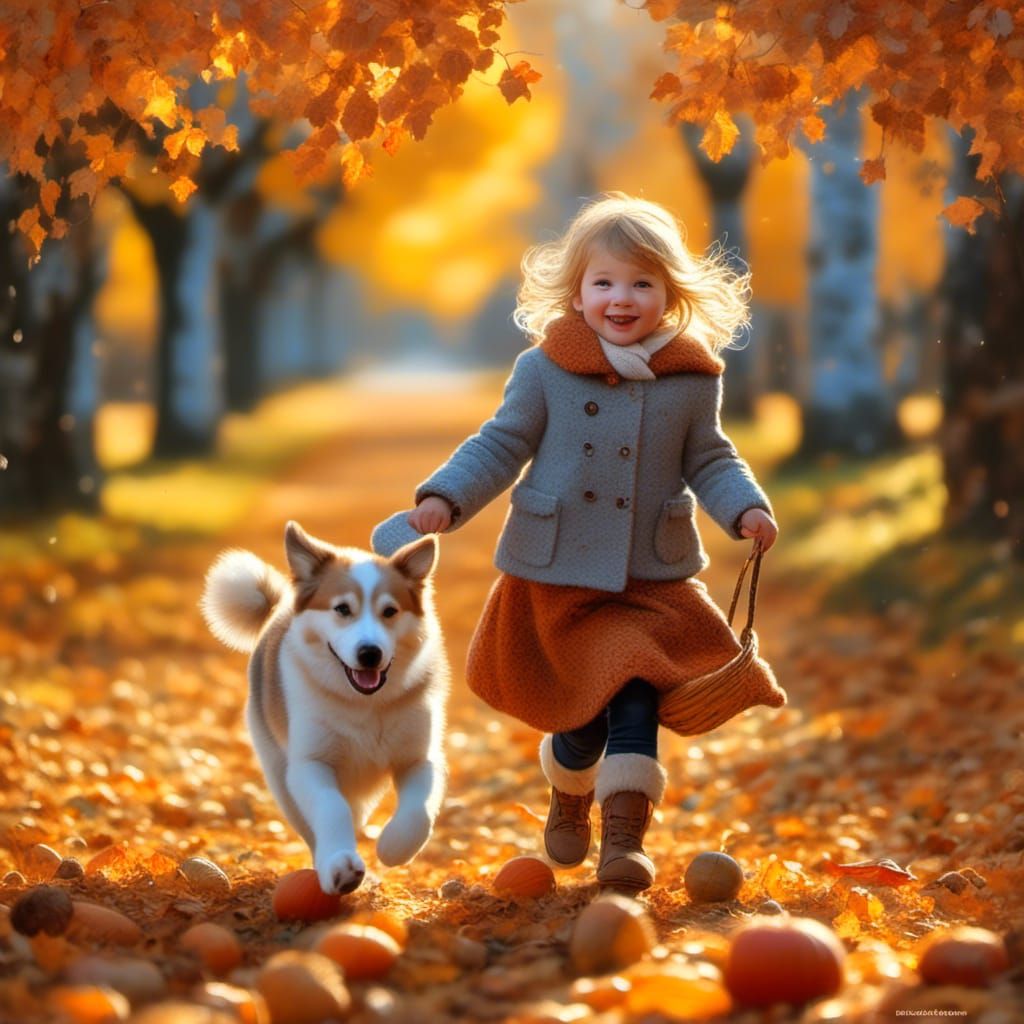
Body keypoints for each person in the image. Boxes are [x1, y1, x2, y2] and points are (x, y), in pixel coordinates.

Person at [373, 192, 779, 892]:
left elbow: (709, 458)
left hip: (647, 576)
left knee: (634, 694)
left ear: (670, 294)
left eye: (642, 284)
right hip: (557, 573)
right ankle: (570, 791)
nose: (622, 299)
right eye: (605, 283)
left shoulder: (690, 381)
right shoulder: (545, 370)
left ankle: (624, 843)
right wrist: (442, 499)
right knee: (583, 713)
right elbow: (500, 444)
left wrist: (744, 508)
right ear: (578, 291)